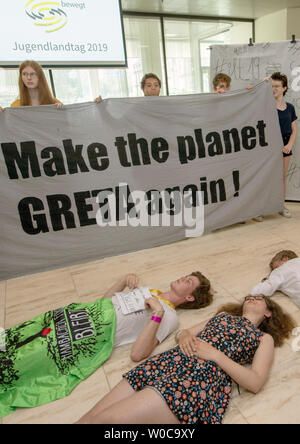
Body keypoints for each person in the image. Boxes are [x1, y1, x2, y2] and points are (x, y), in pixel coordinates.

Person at [76, 295, 295, 424]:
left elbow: (255, 382)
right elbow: (184, 333)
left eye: (259, 299)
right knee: (88, 418)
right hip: (166, 362)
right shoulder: (223, 317)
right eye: (249, 296)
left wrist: (215, 355)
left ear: (268, 313)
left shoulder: (262, 338)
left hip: (196, 380)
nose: (251, 298)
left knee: (107, 420)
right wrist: (186, 335)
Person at [104, 271, 213, 361]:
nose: (182, 277)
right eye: (186, 276)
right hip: (90, 310)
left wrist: (158, 313)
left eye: (188, 281)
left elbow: (137, 354)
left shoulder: (170, 316)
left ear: (189, 297)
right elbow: (103, 304)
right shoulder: (149, 290)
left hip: (95, 331)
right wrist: (124, 280)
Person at [270, 72, 298, 218]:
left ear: (284, 88)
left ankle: (281, 205)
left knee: (281, 177)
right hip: (270, 146)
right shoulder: (266, 106)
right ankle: (264, 208)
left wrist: (289, 145)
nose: (274, 89)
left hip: (285, 145)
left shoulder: (290, 108)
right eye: (272, 86)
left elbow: (294, 130)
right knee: (267, 177)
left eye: (277, 86)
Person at [94, 73, 162, 103]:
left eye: (156, 85)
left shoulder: (166, 105)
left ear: (160, 88)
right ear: (142, 88)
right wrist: (102, 107)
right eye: (149, 85)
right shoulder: (137, 107)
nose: (153, 88)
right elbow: (116, 122)